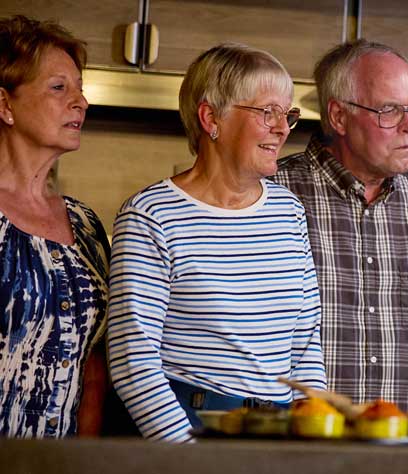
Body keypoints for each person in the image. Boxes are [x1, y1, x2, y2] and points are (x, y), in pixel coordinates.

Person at [106, 43, 325, 442]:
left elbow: (306, 341)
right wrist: (188, 456)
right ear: (211, 118)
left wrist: (311, 437)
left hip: (274, 434)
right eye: (267, 112)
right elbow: (132, 360)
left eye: (287, 114)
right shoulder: (152, 215)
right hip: (191, 429)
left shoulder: (288, 210)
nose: (282, 128)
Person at [272, 40, 408, 413]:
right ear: (338, 116)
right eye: (390, 110)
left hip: (399, 454)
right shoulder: (272, 195)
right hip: (294, 453)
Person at [0, 15, 108, 438]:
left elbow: (93, 363)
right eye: (59, 87)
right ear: (5, 104)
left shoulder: (85, 224)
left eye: (80, 88)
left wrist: (83, 458)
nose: (80, 101)